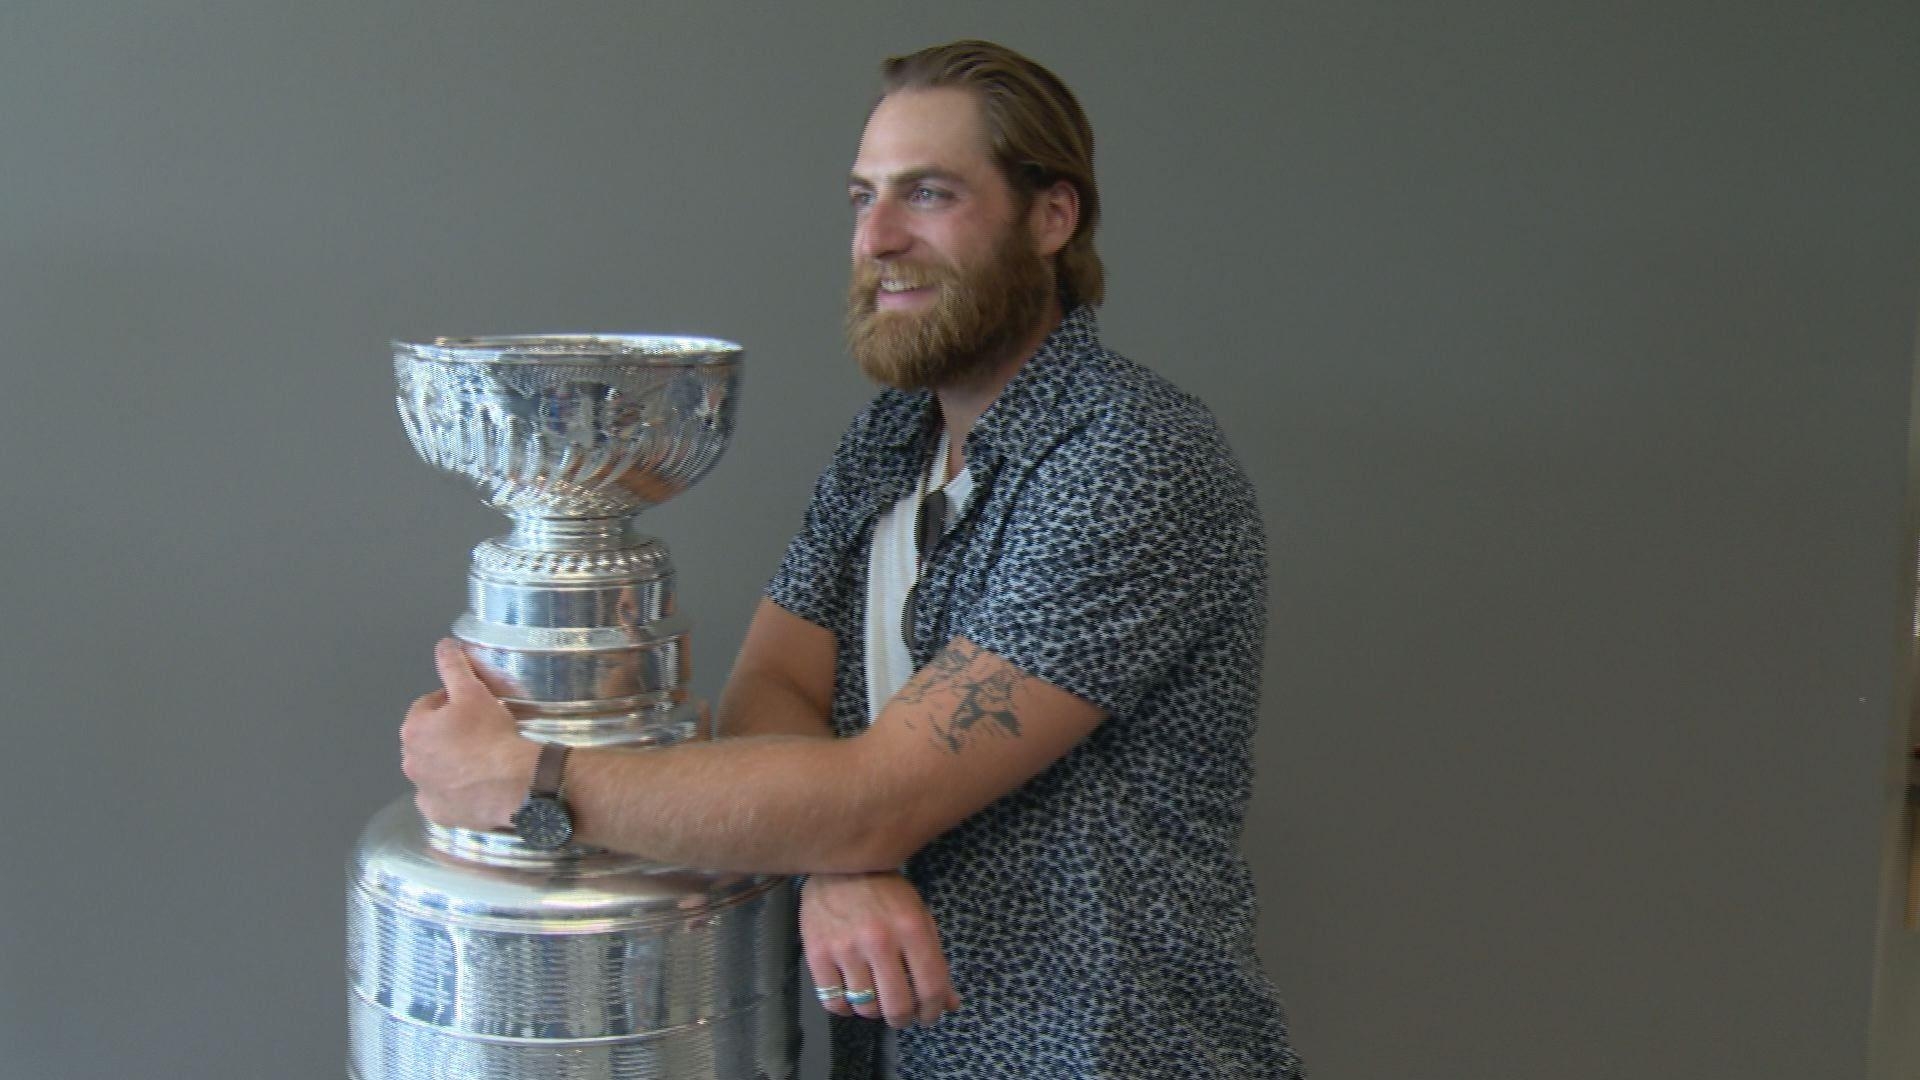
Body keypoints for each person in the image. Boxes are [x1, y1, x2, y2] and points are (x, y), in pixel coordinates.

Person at [401, 39, 1305, 1080]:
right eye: (861, 197)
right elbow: (773, 686)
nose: (876, 237)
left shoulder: (1132, 460)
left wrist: (530, 779)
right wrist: (830, 854)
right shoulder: (888, 442)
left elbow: (879, 794)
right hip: (895, 1052)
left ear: (1051, 218)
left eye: (928, 194)